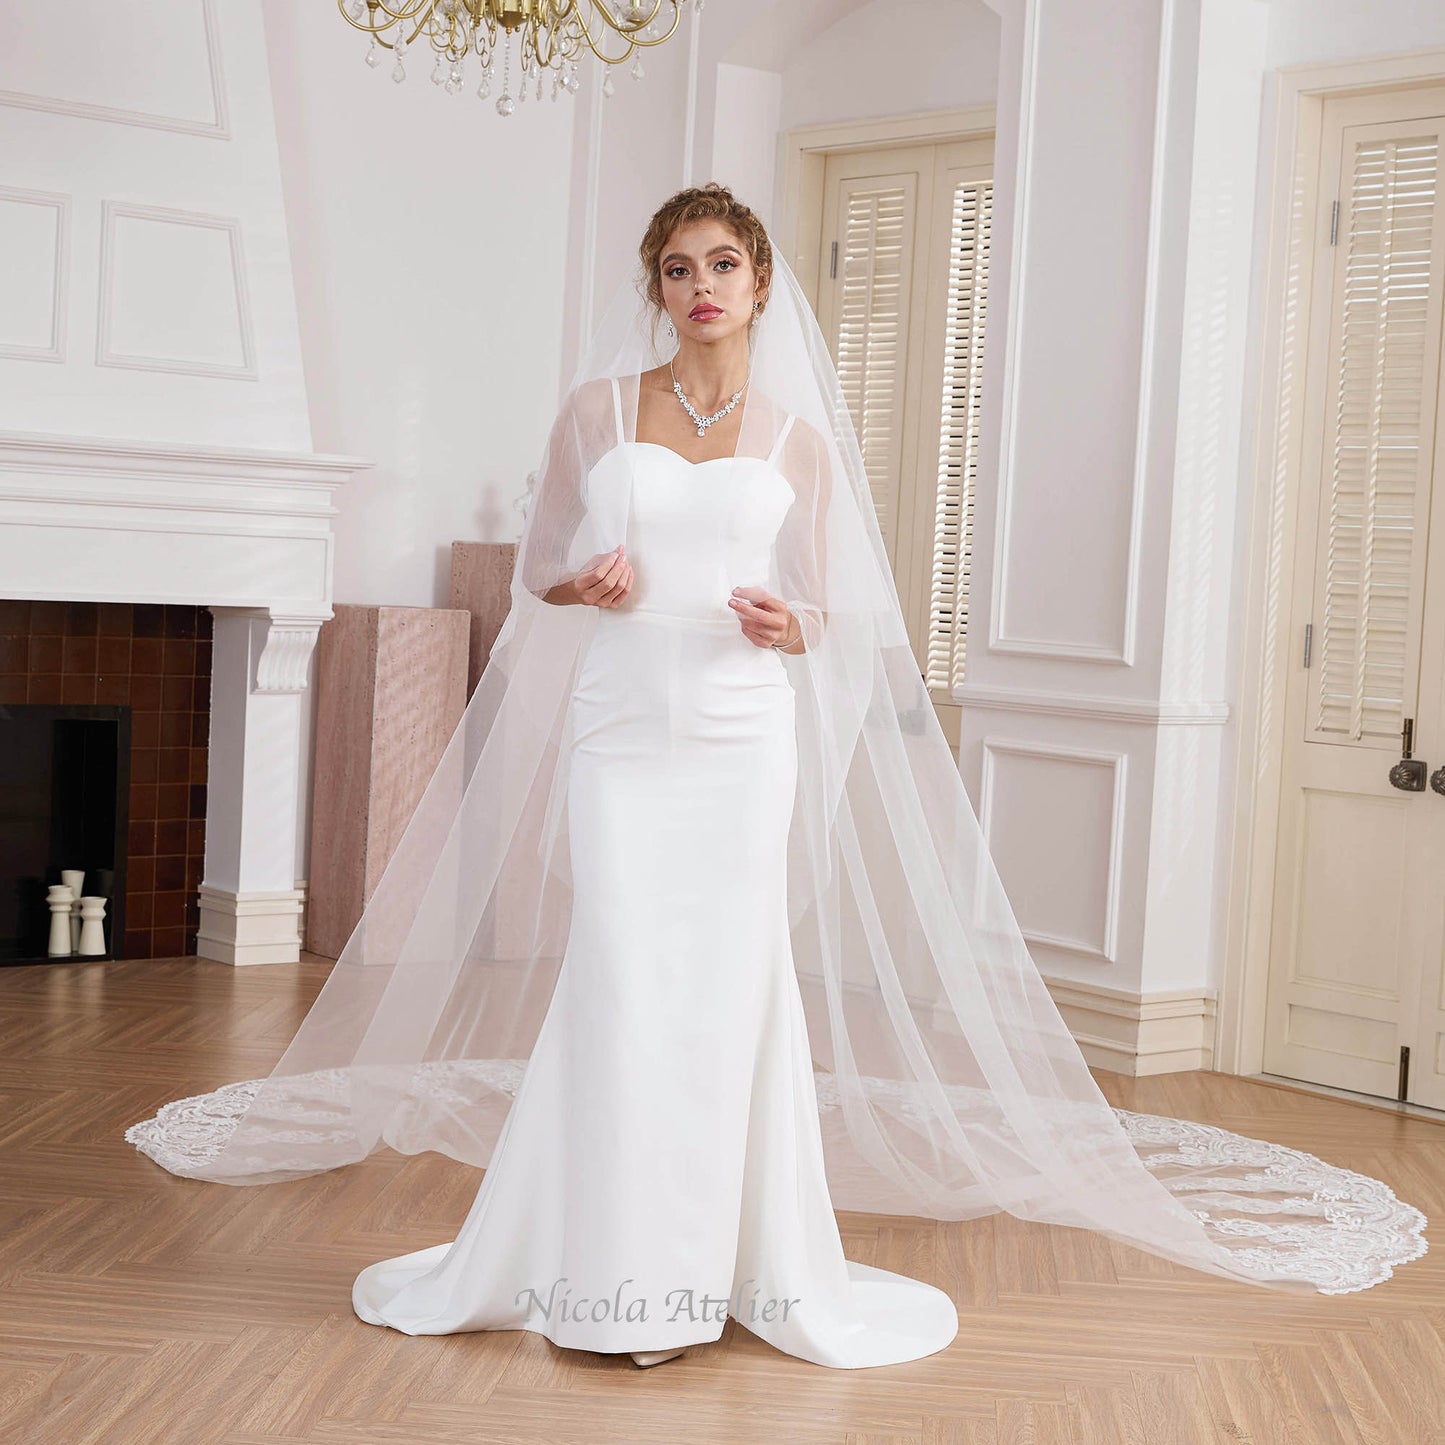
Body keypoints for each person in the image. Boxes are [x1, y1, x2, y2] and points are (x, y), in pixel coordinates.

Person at [126, 185, 1428, 1371]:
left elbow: (845, 613)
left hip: (742, 735)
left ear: (758, 284)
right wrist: (585, 583)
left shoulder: (797, 435)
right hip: (620, 729)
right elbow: (536, 573)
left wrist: (791, 627)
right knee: (625, 973)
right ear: (657, 286)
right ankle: (615, 1270)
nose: (703, 285)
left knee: (728, 985)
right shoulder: (596, 410)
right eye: (680, 266)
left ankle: (731, 1259)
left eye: (725, 264)